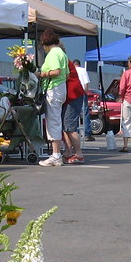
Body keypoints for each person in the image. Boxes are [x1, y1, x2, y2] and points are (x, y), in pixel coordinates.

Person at [37, 29, 68, 167]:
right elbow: (66, 75)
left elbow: (56, 71)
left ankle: (56, 155)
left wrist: (42, 74)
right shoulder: (62, 53)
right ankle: (56, 153)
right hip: (61, 88)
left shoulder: (53, 54)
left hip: (53, 89)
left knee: (53, 121)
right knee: (56, 119)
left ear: (45, 42)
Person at [62, 57, 86, 164]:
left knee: (70, 126)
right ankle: (68, 152)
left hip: (73, 95)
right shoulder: (65, 60)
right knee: (65, 126)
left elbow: (62, 76)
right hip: (69, 96)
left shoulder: (62, 61)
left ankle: (79, 154)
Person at [73, 59, 93, 141]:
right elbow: (86, 83)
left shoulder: (72, 70)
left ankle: (75, 132)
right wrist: (85, 92)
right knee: (85, 112)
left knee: (74, 112)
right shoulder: (83, 70)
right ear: (79, 64)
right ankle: (87, 133)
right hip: (82, 92)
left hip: (74, 93)